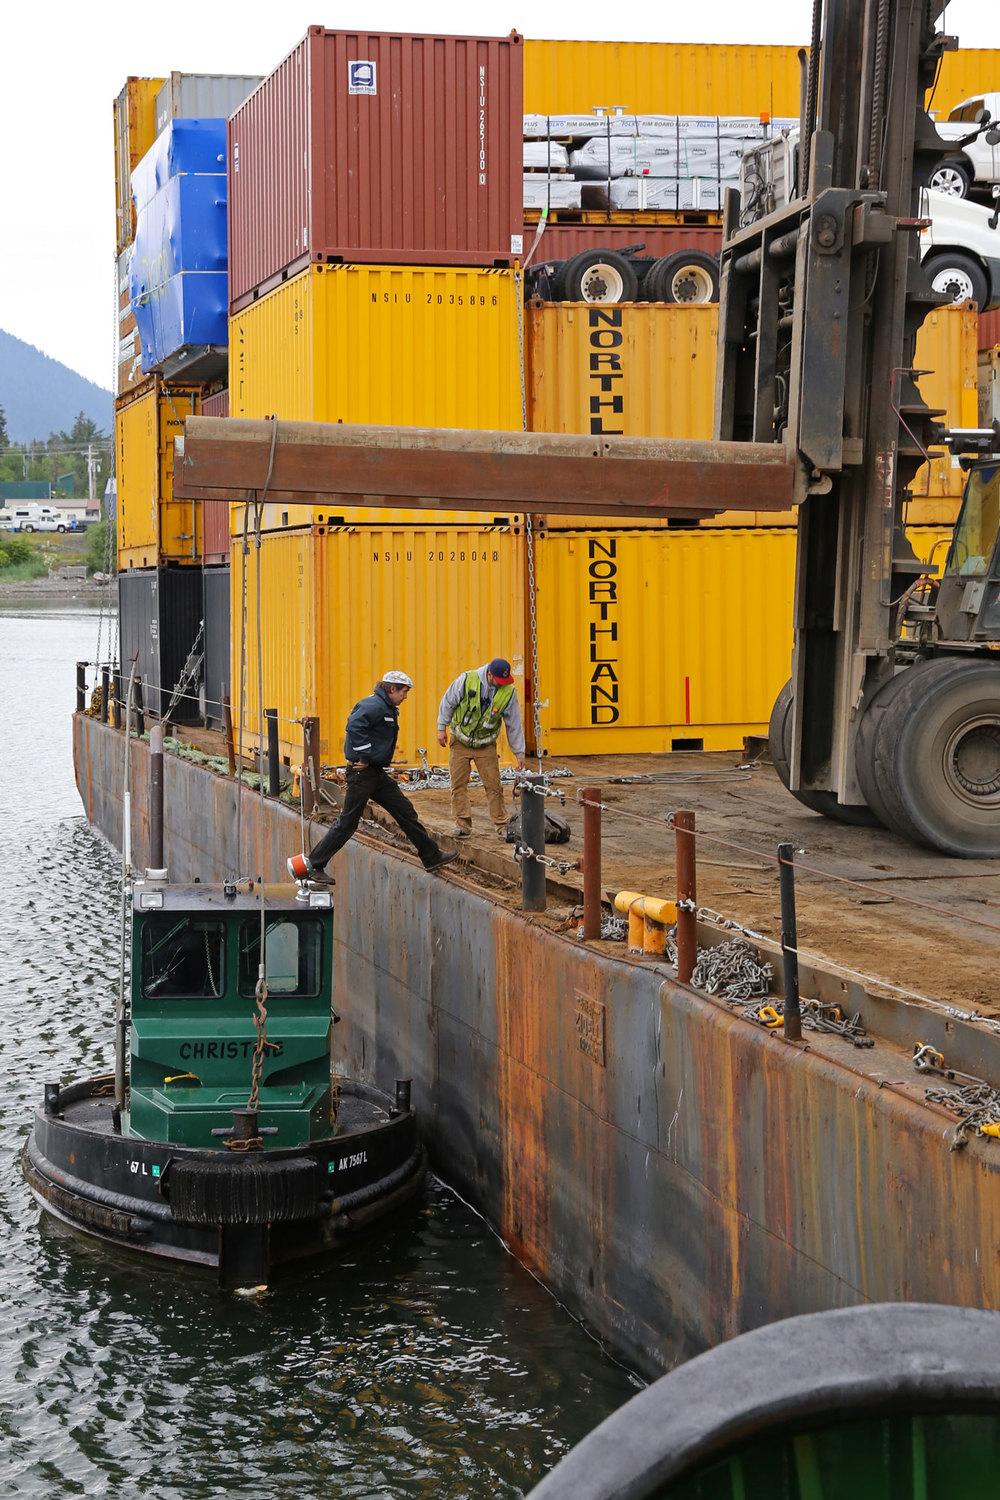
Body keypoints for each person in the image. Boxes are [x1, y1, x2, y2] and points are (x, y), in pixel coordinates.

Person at [287, 671, 458, 878]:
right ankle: (314, 865)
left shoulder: (386, 707)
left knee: (405, 811)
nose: (405, 696)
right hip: (362, 774)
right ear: (392, 689)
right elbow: (354, 726)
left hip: (375, 774)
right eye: (404, 691)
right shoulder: (374, 706)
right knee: (348, 822)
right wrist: (365, 756)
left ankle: (431, 856)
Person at [436, 657, 526, 838]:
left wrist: (519, 752)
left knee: (494, 786)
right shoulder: (467, 680)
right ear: (489, 674)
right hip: (460, 741)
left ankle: (502, 826)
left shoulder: (508, 692)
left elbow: (513, 723)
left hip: (485, 745)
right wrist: (441, 728)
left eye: (504, 682)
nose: (501, 685)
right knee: (458, 784)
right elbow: (448, 702)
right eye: (499, 681)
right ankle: (462, 826)